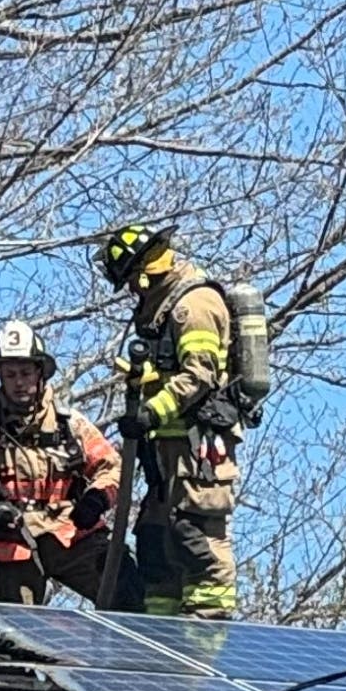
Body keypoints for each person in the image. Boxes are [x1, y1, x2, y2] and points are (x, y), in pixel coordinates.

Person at [0, 319, 143, 610]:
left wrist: (97, 499)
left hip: (69, 531)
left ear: (40, 373)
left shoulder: (70, 424)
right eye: (10, 374)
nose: (19, 382)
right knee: (13, 620)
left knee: (124, 584)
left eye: (25, 373)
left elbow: (113, 467)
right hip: (13, 539)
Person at [97, 224, 238, 619]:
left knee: (195, 534)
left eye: (131, 282)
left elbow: (199, 375)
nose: (132, 291)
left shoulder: (192, 305)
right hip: (165, 450)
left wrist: (151, 411)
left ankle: (208, 625)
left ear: (144, 273)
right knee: (155, 539)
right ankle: (159, 631)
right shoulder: (163, 306)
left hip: (197, 450)